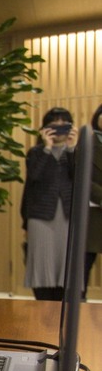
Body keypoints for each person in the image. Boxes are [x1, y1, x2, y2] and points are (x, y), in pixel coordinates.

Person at [21, 107, 78, 300]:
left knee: (68, 268)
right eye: (55, 125)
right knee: (42, 265)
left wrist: (71, 148)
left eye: (65, 125)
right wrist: (47, 147)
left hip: (69, 217)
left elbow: (80, 178)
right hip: (40, 217)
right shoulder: (36, 152)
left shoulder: (76, 152)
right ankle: (43, 304)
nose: (60, 129)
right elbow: (34, 176)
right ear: (46, 128)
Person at [85, 103, 102, 292]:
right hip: (92, 215)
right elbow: (82, 178)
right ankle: (79, 308)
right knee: (83, 267)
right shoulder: (87, 144)